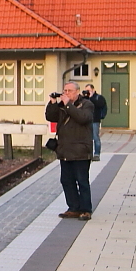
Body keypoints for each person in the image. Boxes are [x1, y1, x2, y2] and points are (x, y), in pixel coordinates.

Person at [46, 81, 94, 219]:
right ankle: (73, 207)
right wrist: (53, 103)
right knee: (66, 180)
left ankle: (86, 209)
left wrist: (68, 105)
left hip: (80, 151)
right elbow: (51, 117)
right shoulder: (62, 106)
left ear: (77, 92)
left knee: (82, 180)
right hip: (65, 150)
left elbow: (83, 118)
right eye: (64, 90)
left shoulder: (87, 105)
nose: (66, 93)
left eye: (69, 91)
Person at [83, 83, 107, 160]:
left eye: (89, 90)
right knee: (86, 138)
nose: (87, 92)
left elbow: (99, 105)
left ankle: (96, 154)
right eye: (86, 90)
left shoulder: (98, 97)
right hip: (86, 120)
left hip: (95, 120)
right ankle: (88, 154)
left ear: (93, 90)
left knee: (95, 137)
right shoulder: (85, 98)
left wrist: (91, 97)